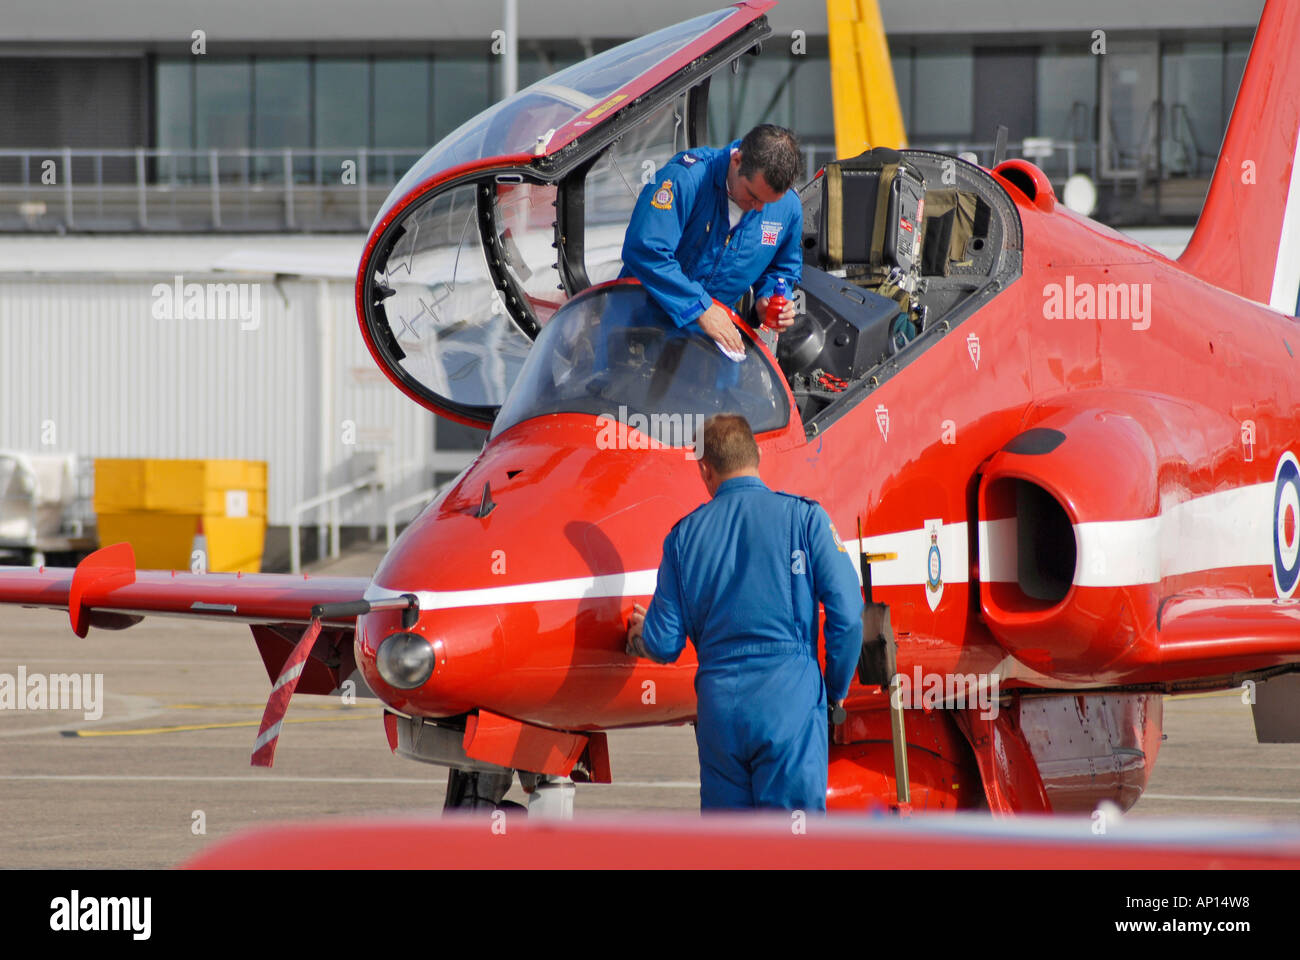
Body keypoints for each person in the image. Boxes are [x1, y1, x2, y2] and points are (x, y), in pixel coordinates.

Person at [625, 414, 863, 811]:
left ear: (706, 468)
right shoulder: (804, 518)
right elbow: (849, 614)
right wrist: (834, 690)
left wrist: (640, 636)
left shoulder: (683, 536)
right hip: (790, 702)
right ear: (756, 457)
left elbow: (664, 643)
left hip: (721, 711)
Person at [619, 124, 804, 356]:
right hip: (636, 329)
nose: (759, 209)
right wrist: (700, 308)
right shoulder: (685, 178)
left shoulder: (789, 209)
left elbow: (782, 269)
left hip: (708, 351)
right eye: (753, 196)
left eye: (769, 202)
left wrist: (770, 299)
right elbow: (645, 250)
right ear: (737, 161)